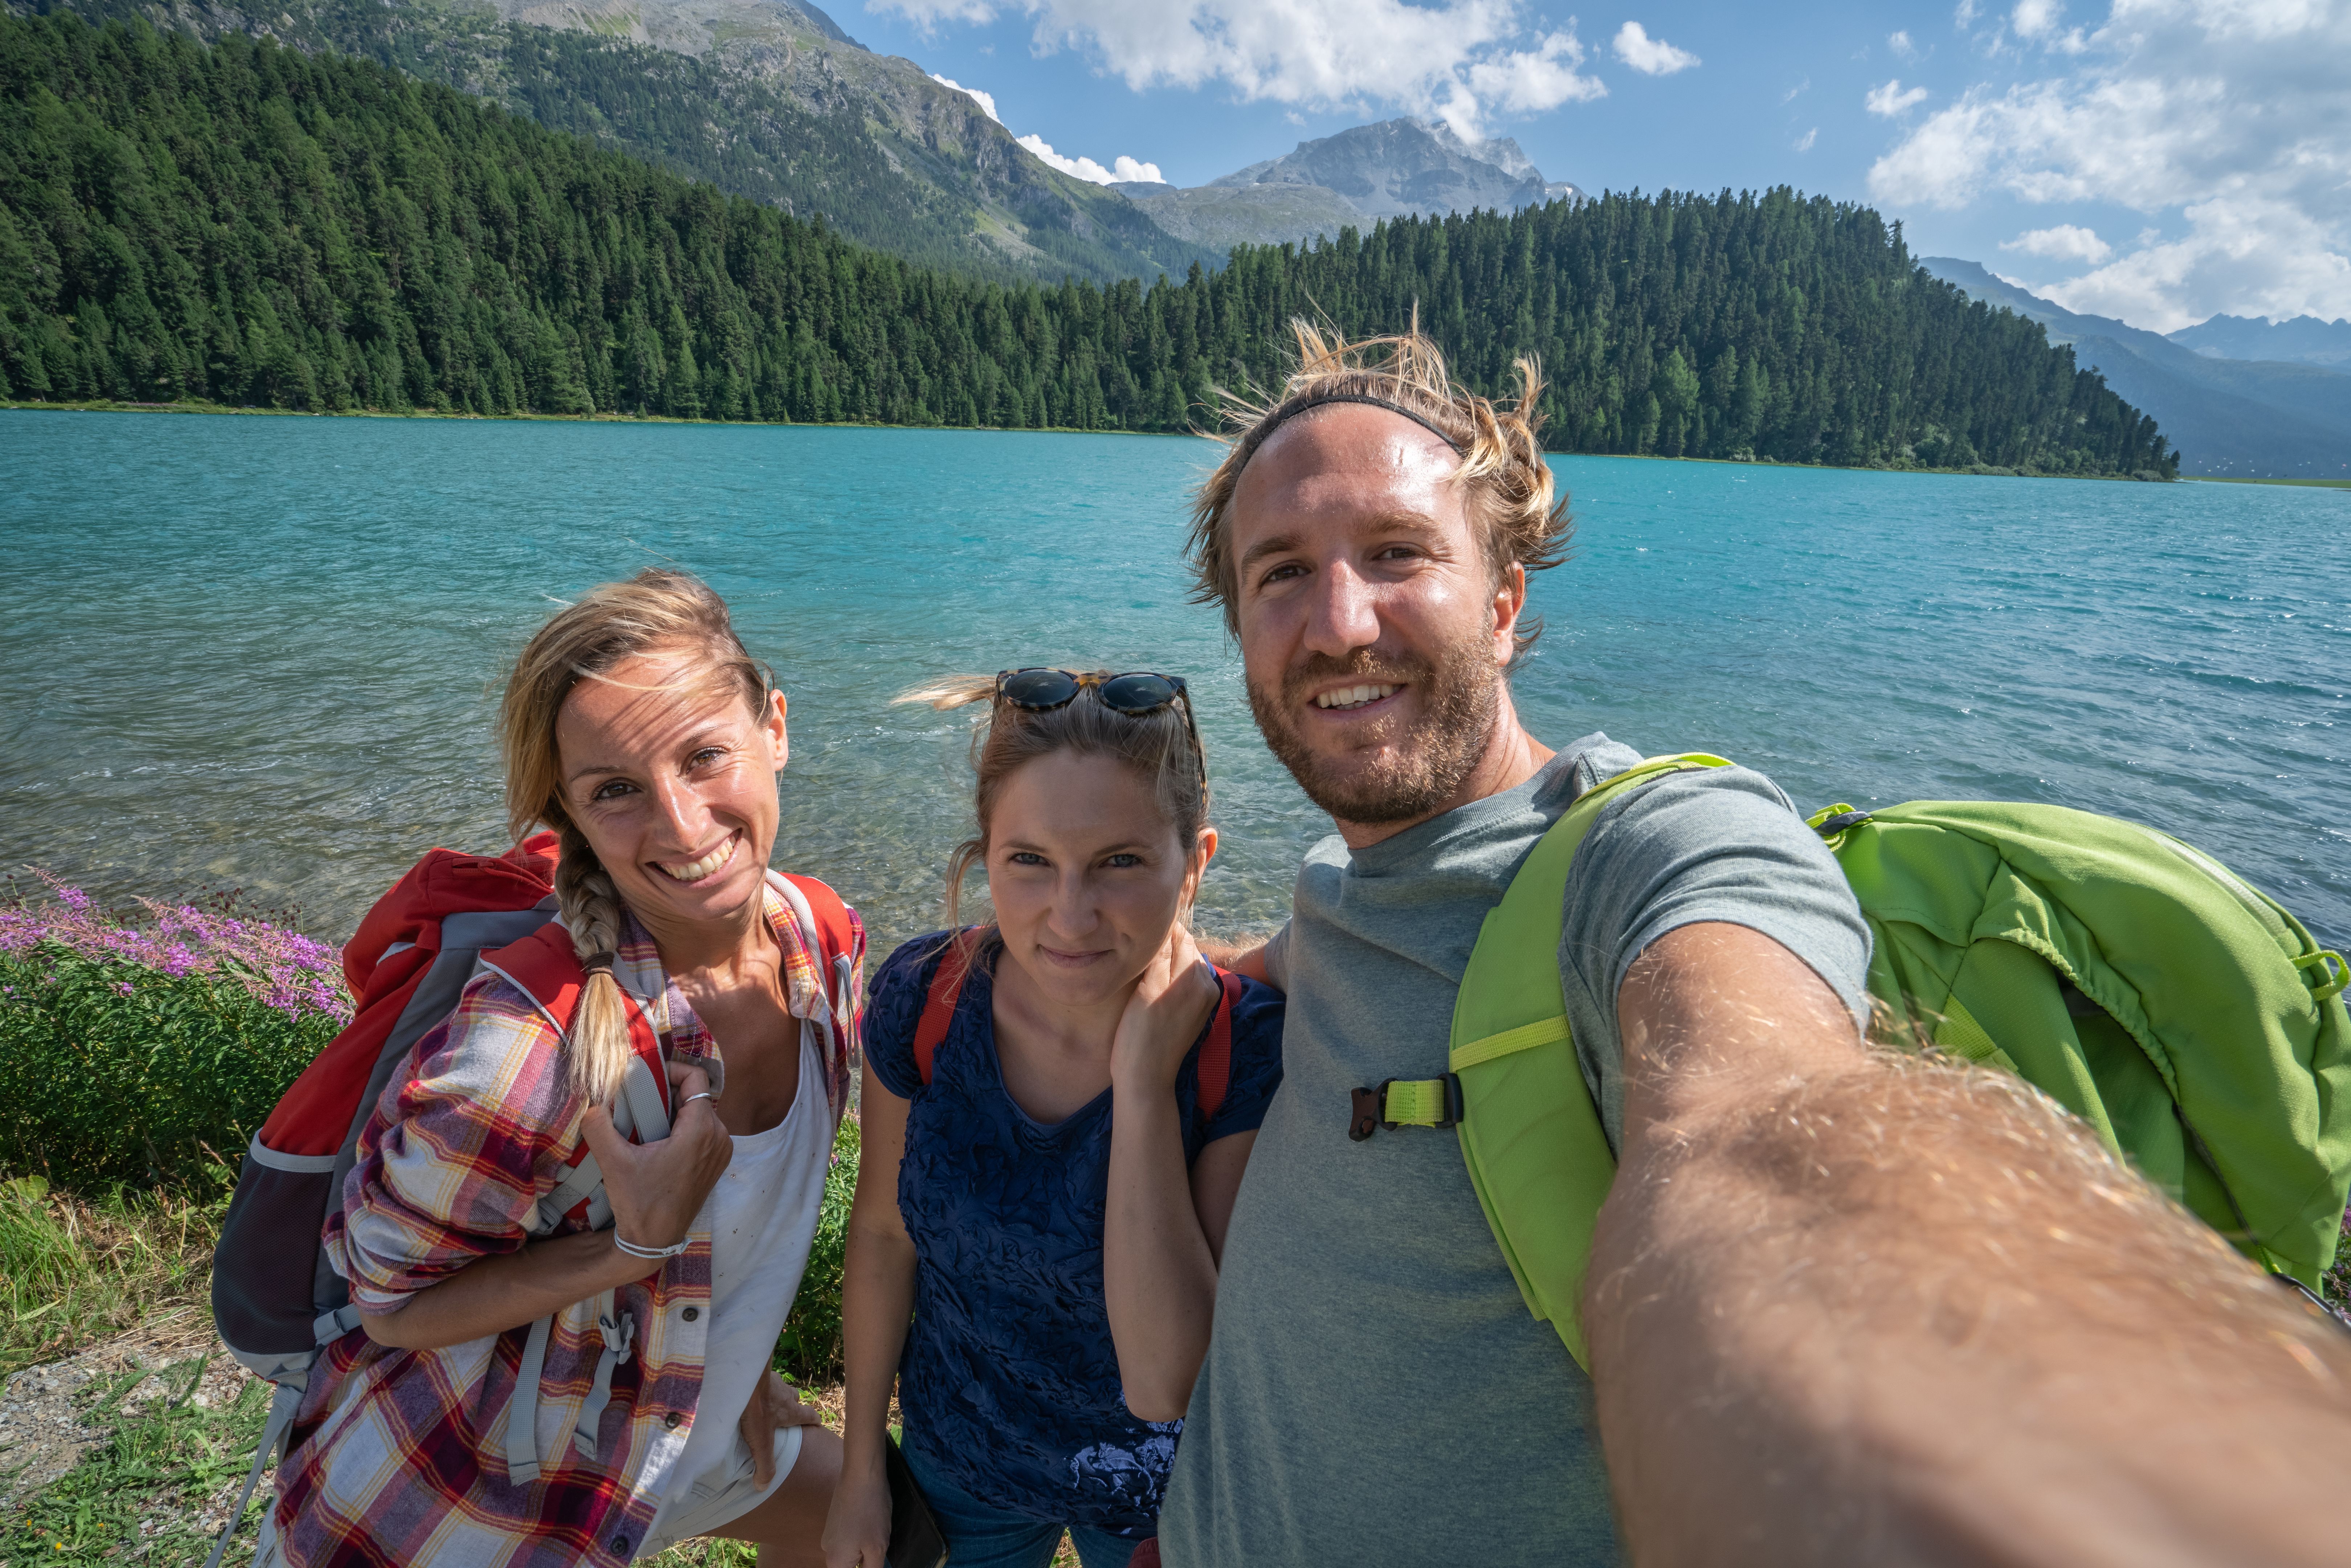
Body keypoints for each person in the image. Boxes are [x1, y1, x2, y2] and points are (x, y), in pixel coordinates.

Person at [1156, 326, 2351, 1565]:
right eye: (1279, 573)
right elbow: (1292, 954)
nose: (1338, 622)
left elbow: (1755, 1128)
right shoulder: (1338, 894)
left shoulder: (1654, 853)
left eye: (1396, 554)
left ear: (1503, 604)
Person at [266, 570, 858, 1566]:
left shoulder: (820, 940)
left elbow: (747, 1226)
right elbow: (390, 1304)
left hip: (671, 1422)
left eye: (706, 755)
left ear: (777, 730)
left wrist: (736, 1360)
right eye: (616, 791)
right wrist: (632, 1247)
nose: (679, 825)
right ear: (569, 815)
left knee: (884, 1530)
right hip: (463, 1503)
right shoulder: (525, 1047)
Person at [821, 669, 1284, 1568]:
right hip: (961, 1460)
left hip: (1157, 1496)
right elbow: (881, 1236)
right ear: (984, 852)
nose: (1069, 917)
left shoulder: (1243, 1048)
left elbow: (1171, 1376)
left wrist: (1144, 1085)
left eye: (1119, 862)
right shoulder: (925, 1002)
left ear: (1194, 863)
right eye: (1029, 861)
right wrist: (859, 1474)